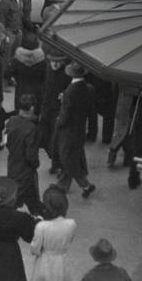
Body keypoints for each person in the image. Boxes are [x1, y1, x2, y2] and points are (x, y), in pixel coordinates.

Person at [55, 62, 96, 197]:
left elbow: (65, 115)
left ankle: (85, 185)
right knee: (73, 156)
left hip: (69, 130)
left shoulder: (69, 91)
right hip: (80, 128)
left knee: (67, 158)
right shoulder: (87, 88)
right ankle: (63, 185)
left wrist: (58, 122)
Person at [29, 186, 76, 281]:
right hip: (62, 260)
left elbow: (35, 250)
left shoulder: (41, 226)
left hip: (45, 261)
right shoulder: (71, 223)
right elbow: (70, 239)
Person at [5, 94, 42, 216]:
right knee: (15, 198)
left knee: (30, 195)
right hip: (25, 170)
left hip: (13, 164)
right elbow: (30, 154)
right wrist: (35, 164)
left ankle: (37, 213)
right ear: (31, 108)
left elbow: (7, 142)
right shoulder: (31, 128)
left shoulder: (12, 121)